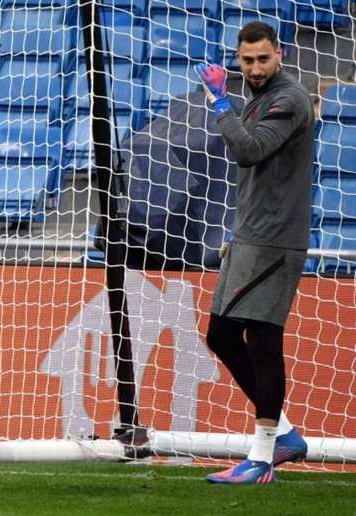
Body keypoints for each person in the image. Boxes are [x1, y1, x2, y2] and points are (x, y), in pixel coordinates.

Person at [195, 21, 314, 484]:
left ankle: (263, 455)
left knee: (263, 341)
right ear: (238, 59)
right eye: (247, 60)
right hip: (250, 236)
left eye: (263, 59)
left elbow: (248, 150)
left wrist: (219, 103)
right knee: (221, 337)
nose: (256, 68)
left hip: (275, 240)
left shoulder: (289, 99)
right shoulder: (259, 97)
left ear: (279, 54)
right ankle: (283, 434)